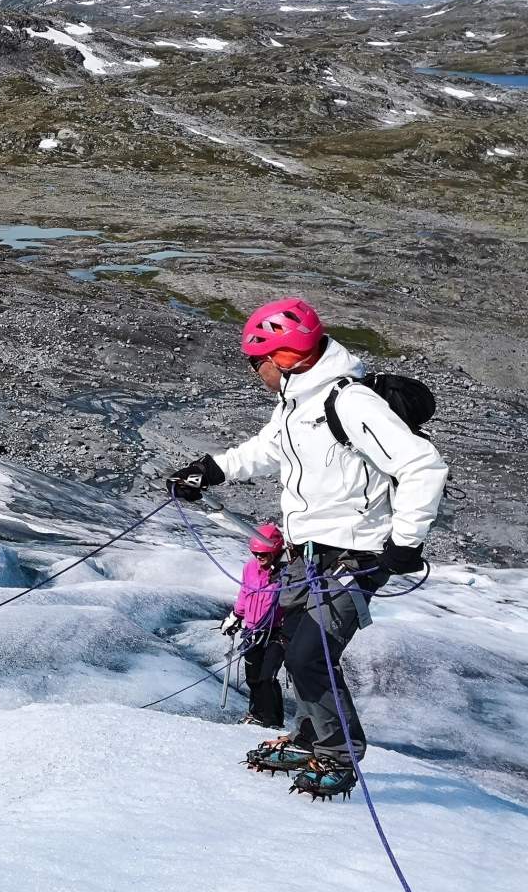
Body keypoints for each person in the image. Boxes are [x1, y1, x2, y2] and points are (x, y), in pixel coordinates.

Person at [167, 298, 447, 799]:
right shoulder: (298, 403)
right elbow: (268, 450)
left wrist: (405, 543)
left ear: (286, 357)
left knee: (310, 656)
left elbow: (422, 465)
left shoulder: (350, 403)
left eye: (258, 361)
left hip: (353, 555)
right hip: (307, 553)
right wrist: (208, 471)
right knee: (293, 646)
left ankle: (340, 755)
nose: (255, 371)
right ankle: (308, 738)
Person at [222, 522, 287, 730]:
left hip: (277, 631)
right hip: (252, 630)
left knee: (267, 676)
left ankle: (272, 722)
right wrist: (235, 615)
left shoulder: (287, 572)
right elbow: (244, 593)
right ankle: (257, 715)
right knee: (253, 677)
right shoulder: (249, 567)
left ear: (275, 550)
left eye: (263, 554)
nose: (258, 558)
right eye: (255, 553)